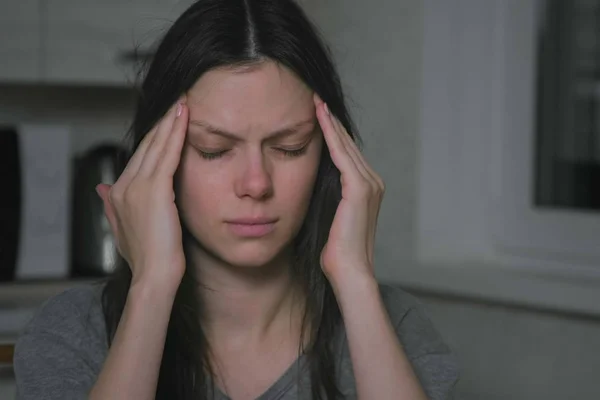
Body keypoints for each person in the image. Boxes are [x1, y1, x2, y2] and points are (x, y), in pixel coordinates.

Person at [13, 0, 460, 399]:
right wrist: (151, 285)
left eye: (290, 147)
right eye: (214, 150)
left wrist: (357, 284)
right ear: (154, 160)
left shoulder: (394, 328)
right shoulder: (73, 332)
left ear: (329, 154)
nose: (256, 184)